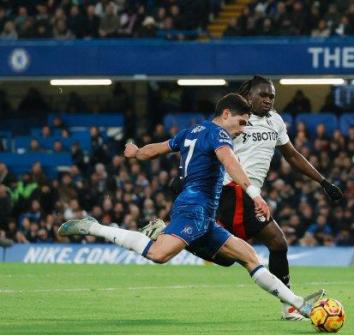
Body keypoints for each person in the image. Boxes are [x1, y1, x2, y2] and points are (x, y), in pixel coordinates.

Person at [57, 93, 323, 317]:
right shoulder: (219, 135)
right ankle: (96, 228)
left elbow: (157, 148)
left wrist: (136, 152)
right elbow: (231, 164)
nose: (242, 129)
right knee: (158, 255)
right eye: (241, 122)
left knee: (249, 257)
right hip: (194, 208)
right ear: (227, 113)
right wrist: (256, 195)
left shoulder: (191, 132)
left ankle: (300, 305)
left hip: (204, 214)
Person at [143, 76, 343, 320]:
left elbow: (291, 155)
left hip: (249, 195)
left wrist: (323, 182)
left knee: (259, 249)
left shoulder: (275, 122)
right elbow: (206, 148)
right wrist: (187, 178)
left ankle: (288, 307)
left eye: (272, 96)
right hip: (227, 191)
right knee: (250, 251)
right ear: (248, 96)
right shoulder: (232, 123)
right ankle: (169, 234)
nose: (268, 100)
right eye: (263, 95)